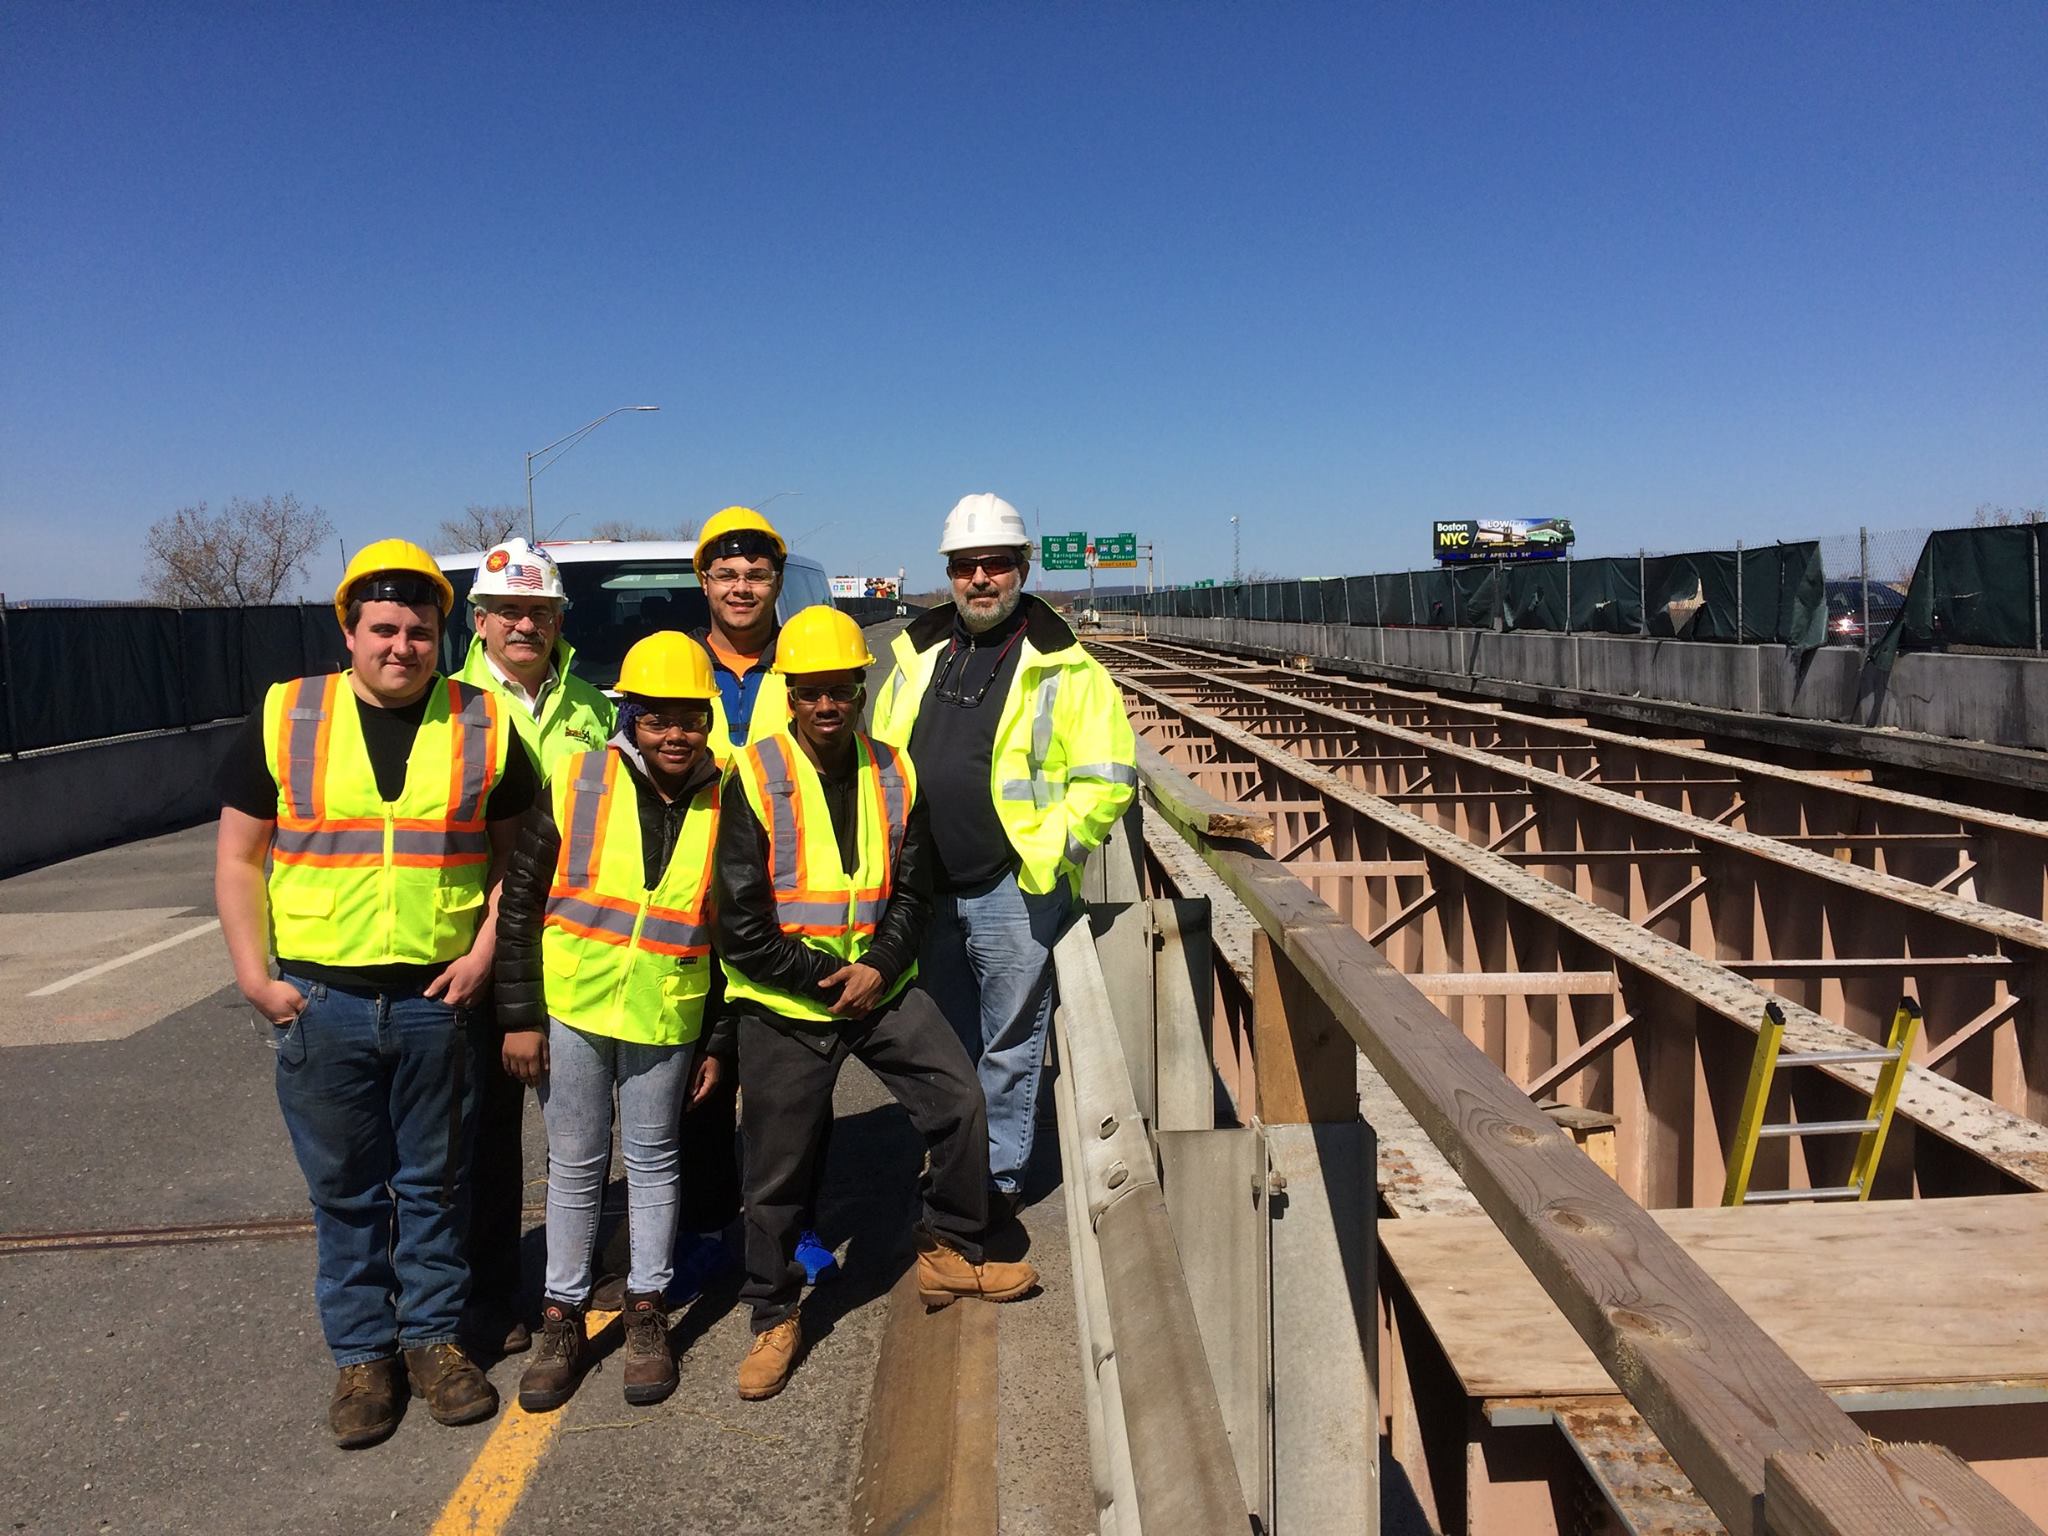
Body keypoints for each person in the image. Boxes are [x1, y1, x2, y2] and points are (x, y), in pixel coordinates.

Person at [214, 538, 537, 1449]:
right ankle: (364, 1360)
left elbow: (516, 860)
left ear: (443, 635)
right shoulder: (287, 716)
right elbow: (238, 859)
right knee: (348, 1194)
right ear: (349, 632)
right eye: (384, 629)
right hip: (323, 1003)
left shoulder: (483, 721)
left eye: (420, 632)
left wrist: (481, 956)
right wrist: (253, 976)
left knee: (435, 1186)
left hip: (439, 1000)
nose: (402, 647)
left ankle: (434, 1342)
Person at [716, 606, 1038, 1401]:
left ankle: (950, 1247)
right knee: (776, 1168)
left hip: (882, 987)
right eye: (813, 692)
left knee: (959, 1101)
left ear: (861, 692)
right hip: (787, 1002)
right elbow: (738, 922)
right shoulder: (752, 776)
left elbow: (914, 891)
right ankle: (773, 1313)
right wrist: (831, 977)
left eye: (843, 692)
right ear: (791, 695)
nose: (829, 706)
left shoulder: (894, 770)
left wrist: (882, 964)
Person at [872, 494, 1138, 1219]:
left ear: (1022, 568)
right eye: (966, 565)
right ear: (950, 574)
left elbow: (1109, 776)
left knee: (1010, 1047)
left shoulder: (1066, 667)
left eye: (995, 563)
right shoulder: (917, 655)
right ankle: (950, 1169)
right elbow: (881, 760)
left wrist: (1057, 853)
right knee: (941, 1047)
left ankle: (993, 1187)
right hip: (923, 889)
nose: (980, 577)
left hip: (1012, 889)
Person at [491, 632, 726, 1412]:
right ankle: (563, 1315)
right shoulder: (578, 779)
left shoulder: (728, 800)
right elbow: (520, 902)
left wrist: (717, 1040)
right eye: (655, 717)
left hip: (667, 1011)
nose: (673, 733)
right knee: (576, 1164)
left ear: (706, 719)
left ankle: (647, 1309)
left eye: (688, 718)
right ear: (629, 715)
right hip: (574, 1009)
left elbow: (731, 935)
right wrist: (520, 1016)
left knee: (657, 1160)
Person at [454, 536, 616, 1354]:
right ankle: (487, 1297)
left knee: (579, 1129)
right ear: (478, 622)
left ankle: (573, 1279)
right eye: (509, 611)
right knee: (482, 1136)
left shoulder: (595, 709)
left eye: (540, 611)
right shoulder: (445, 705)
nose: (525, 624)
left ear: (558, 621)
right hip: (478, 944)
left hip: (581, 948)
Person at [685, 504, 835, 1285]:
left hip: (789, 905)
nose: (742, 587)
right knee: (702, 1078)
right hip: (695, 902)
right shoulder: (676, 669)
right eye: (727, 574)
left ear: (778, 581)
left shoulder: (802, 666)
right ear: (703, 581)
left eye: (757, 574)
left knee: (795, 1082)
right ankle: (712, 1225)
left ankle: (799, 1222)